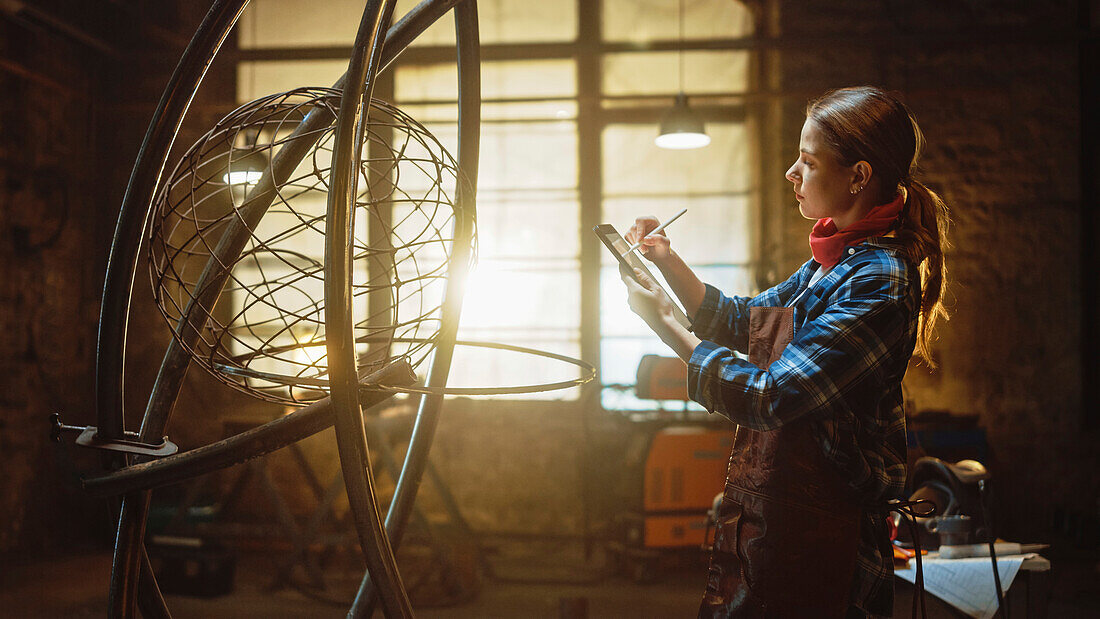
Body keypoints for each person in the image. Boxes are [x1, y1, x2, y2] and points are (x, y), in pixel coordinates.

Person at [619, 85, 950, 618]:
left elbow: (771, 395)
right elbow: (744, 322)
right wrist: (667, 261)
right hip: (784, 513)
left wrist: (665, 326)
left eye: (807, 161)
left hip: (830, 532)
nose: (791, 174)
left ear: (859, 176)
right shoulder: (834, 259)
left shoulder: (879, 279)